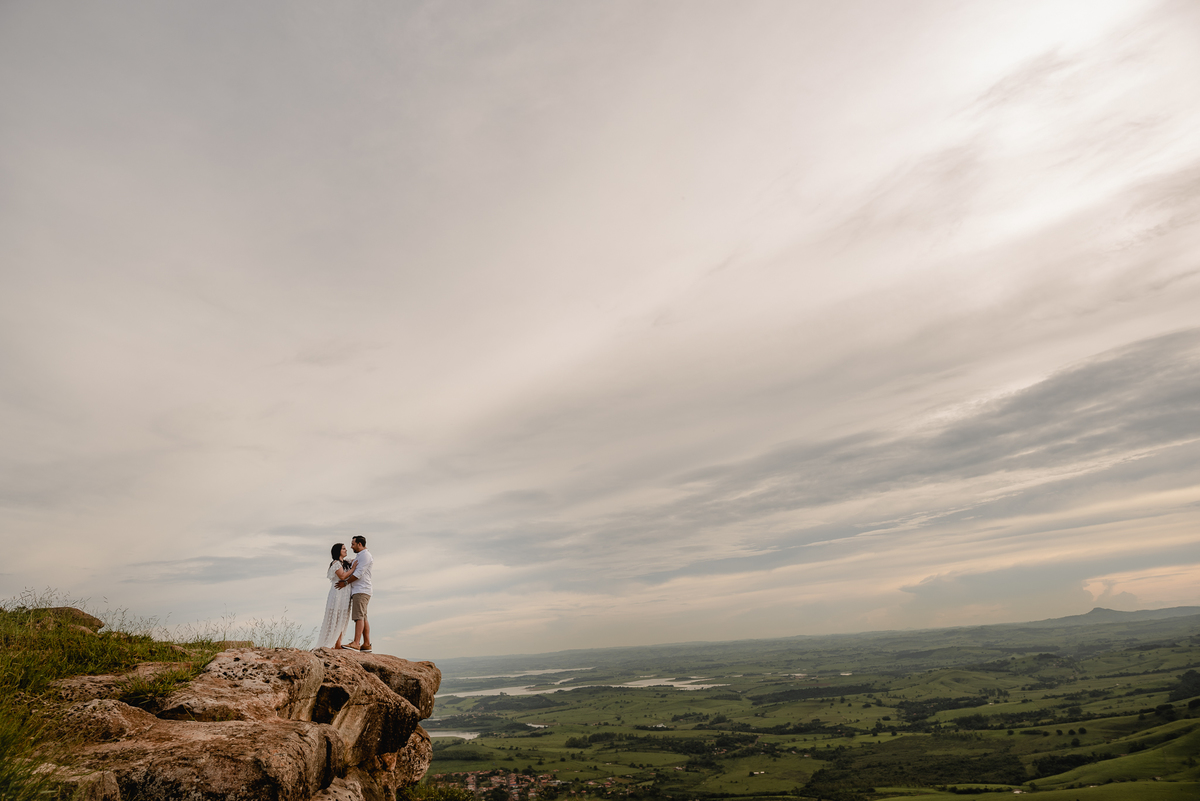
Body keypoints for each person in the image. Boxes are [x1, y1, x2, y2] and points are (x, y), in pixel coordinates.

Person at [314, 543, 355, 649]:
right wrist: (353, 569)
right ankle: (331, 643)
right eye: (343, 549)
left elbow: (357, 559)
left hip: (345, 594)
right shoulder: (336, 563)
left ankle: (338, 643)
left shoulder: (345, 562)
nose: (346, 550)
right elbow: (342, 576)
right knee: (335, 617)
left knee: (342, 617)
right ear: (338, 551)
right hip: (338, 593)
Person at [337, 535, 373, 652]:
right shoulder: (361, 556)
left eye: (353, 544)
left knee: (358, 617)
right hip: (361, 590)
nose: (351, 546)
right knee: (363, 617)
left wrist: (346, 582)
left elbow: (358, 574)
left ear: (359, 544)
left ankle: (356, 643)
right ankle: (366, 644)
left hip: (361, 590)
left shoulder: (365, 556)